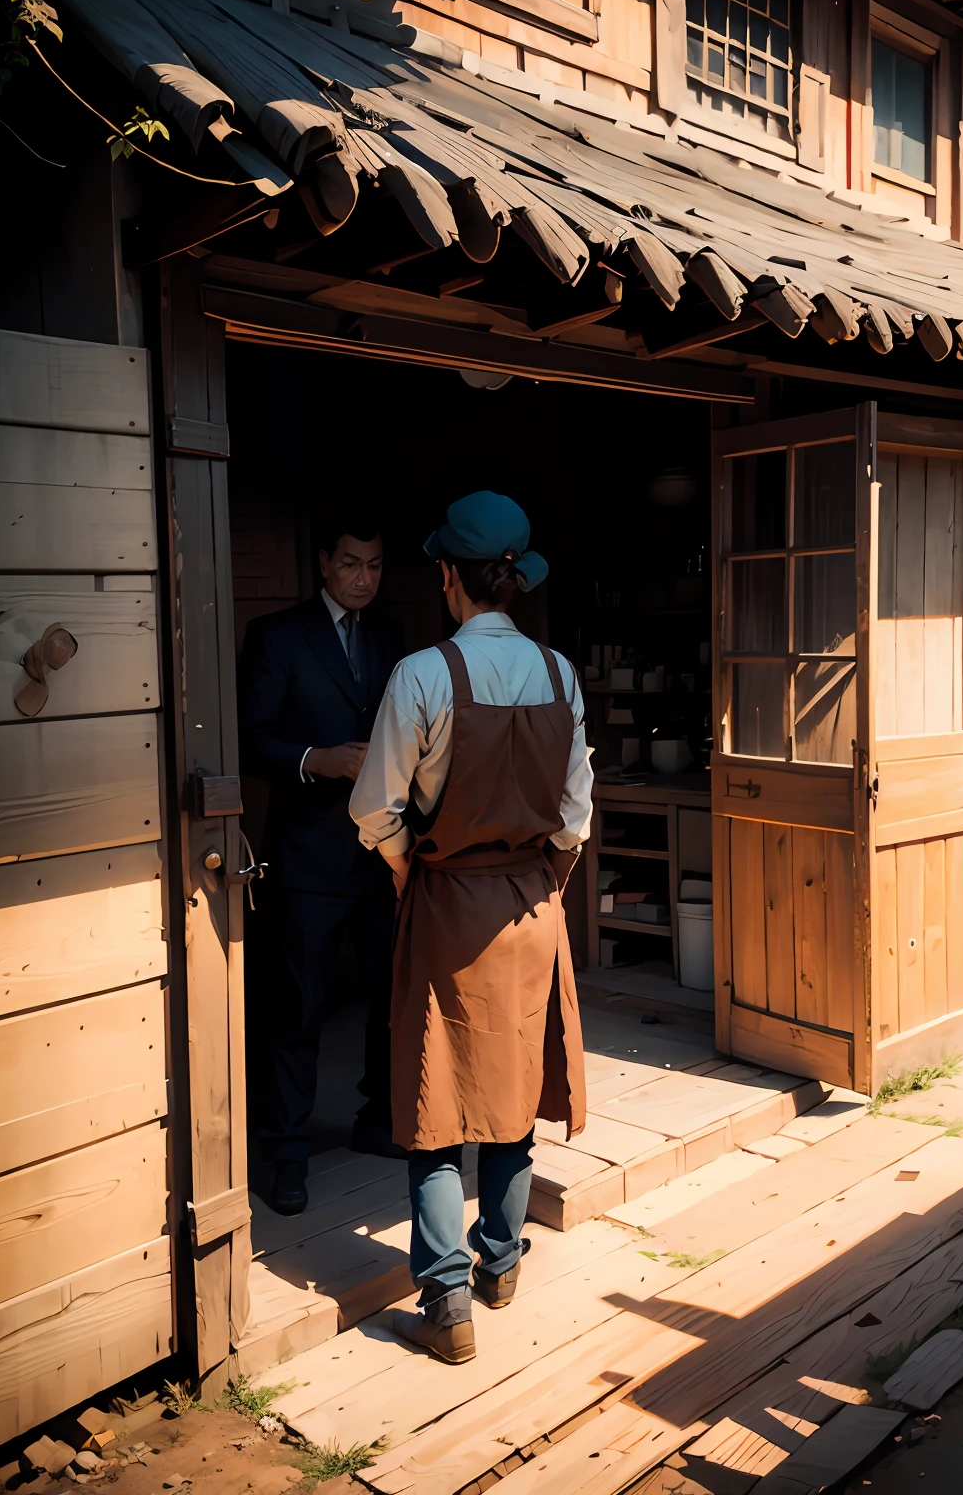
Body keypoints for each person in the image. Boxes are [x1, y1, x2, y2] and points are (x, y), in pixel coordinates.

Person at [350, 491, 592, 1366]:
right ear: (516, 580)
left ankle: (447, 1298)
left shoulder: (421, 675)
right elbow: (574, 818)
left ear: (447, 577)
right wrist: (542, 878)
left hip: (447, 904)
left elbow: (375, 807)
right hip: (531, 905)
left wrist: (409, 862)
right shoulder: (561, 675)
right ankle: (502, 1263)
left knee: (436, 1095)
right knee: (514, 1084)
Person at [239, 514, 403, 1216]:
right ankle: (286, 1154)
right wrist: (317, 760)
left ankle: (378, 1120)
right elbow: (251, 740)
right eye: (349, 565)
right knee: (296, 1009)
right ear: (322, 565)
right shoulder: (278, 636)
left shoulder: (393, 636)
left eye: (372, 565)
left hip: (383, 853)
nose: (362, 578)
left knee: (388, 996)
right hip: (306, 852)